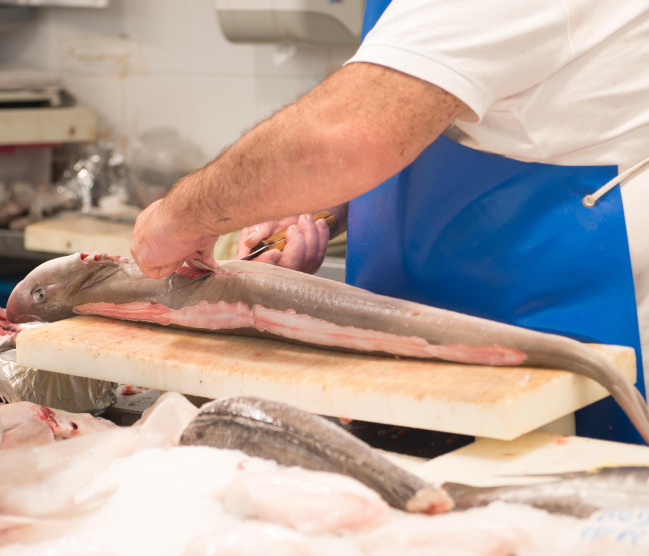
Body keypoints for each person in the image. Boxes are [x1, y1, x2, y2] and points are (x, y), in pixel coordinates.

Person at [130, 0, 649, 444]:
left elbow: (343, 138)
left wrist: (178, 216)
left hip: (560, 336)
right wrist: (320, 206)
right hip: (410, 357)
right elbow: (439, 125)